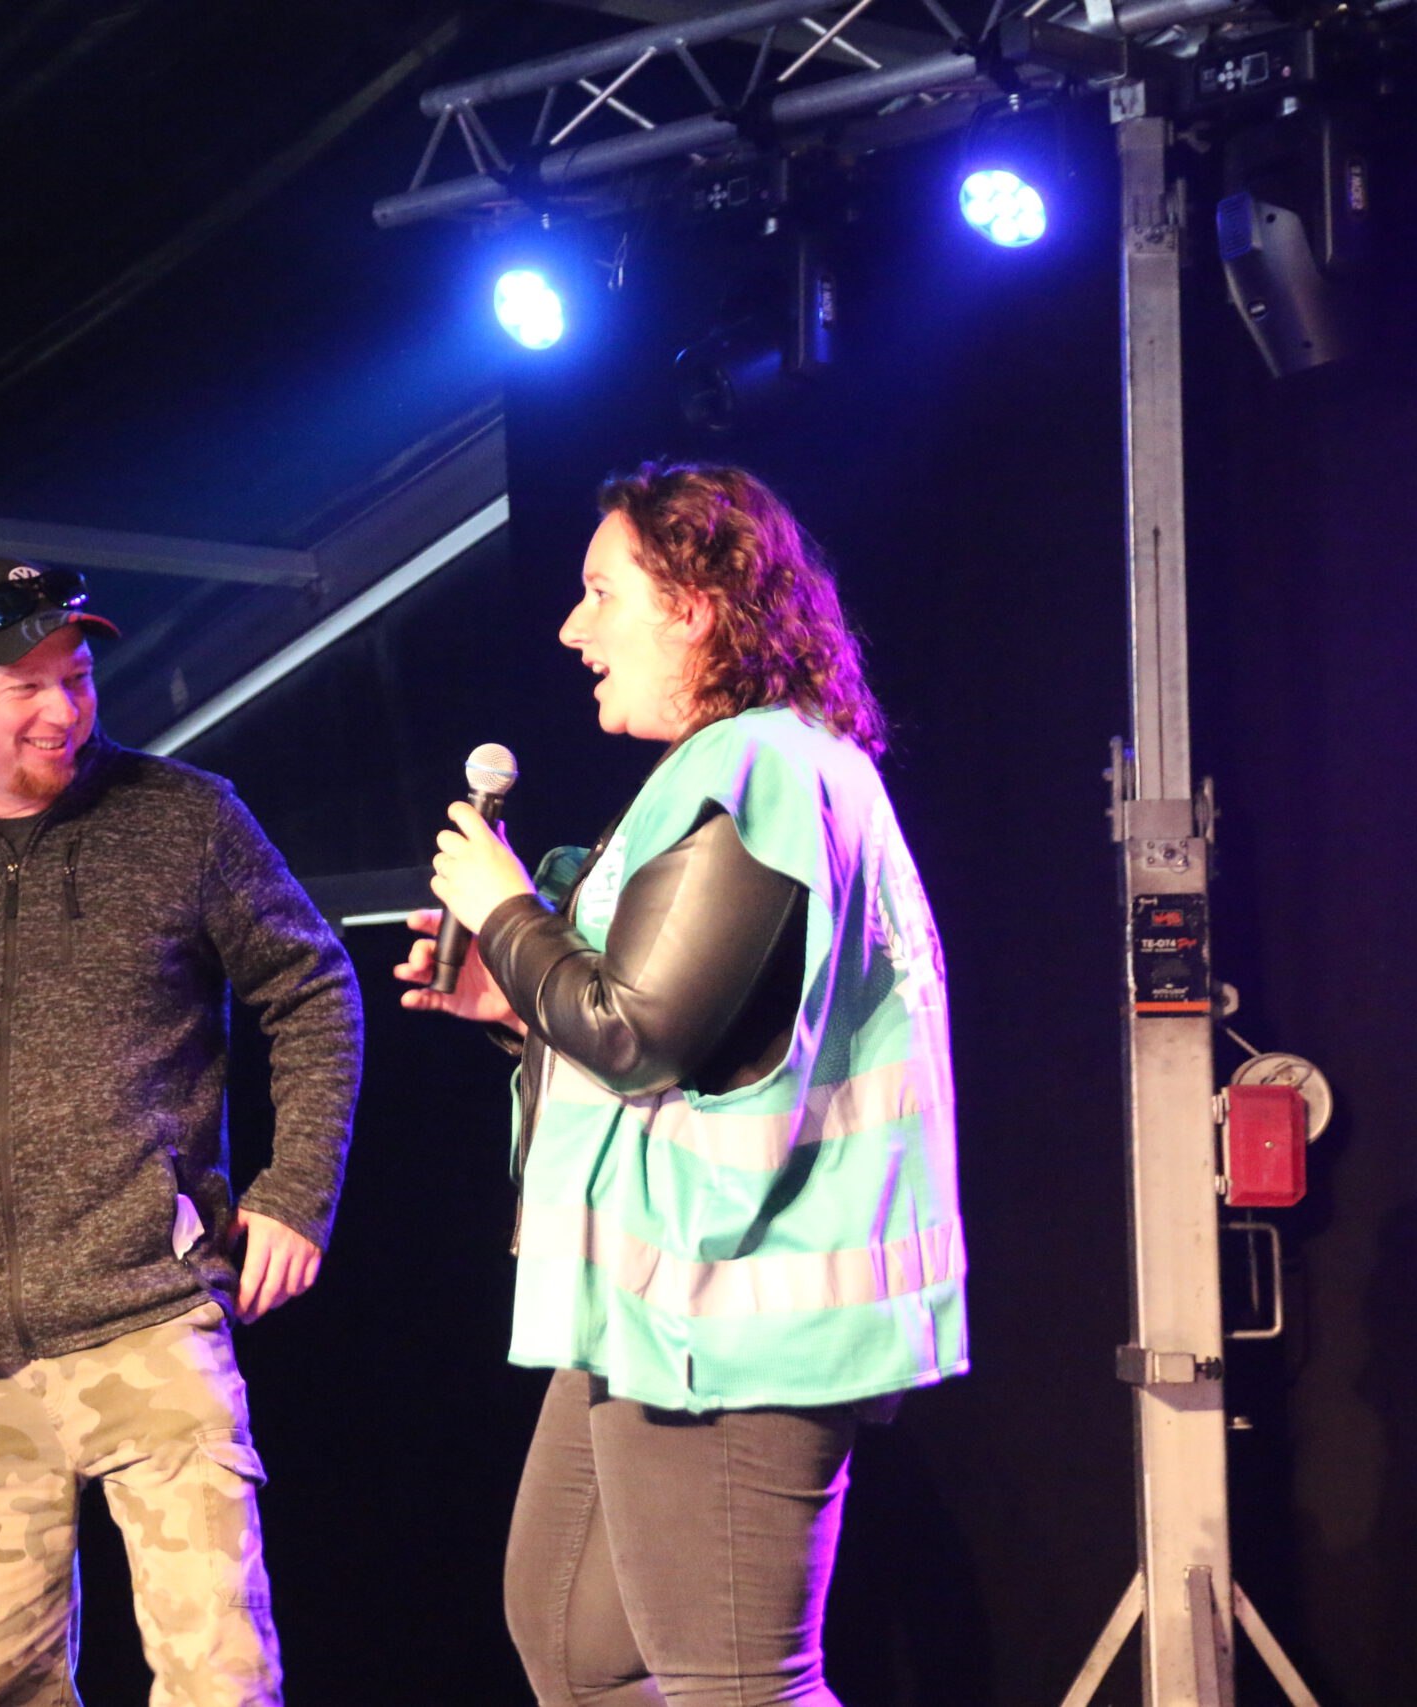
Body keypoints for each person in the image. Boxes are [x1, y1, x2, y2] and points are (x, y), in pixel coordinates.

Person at [397, 464, 965, 1707]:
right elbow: (693, 1038)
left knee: (737, 1685)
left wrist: (505, 911)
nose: (573, 629)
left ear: (697, 606)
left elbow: (638, 1031)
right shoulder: (738, 770)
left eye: (602, 593)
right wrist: (514, 998)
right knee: (576, 1648)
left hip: (734, 1316)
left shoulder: (761, 768)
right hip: (656, 1304)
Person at [0, 557, 362, 1707]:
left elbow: (313, 989)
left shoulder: (186, 817)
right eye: (25, 685)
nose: (63, 708)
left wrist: (295, 1191)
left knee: (220, 1679)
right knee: (6, 1686)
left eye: (78, 676)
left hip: (152, 1313)